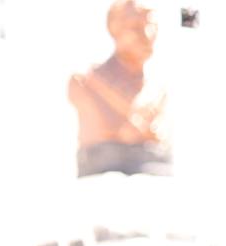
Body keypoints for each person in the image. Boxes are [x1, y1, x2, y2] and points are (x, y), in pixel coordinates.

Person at [68, 1, 172, 178]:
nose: (147, 35)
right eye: (135, 27)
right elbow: (125, 133)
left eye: (152, 25)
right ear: (114, 30)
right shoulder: (84, 82)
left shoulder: (159, 90)